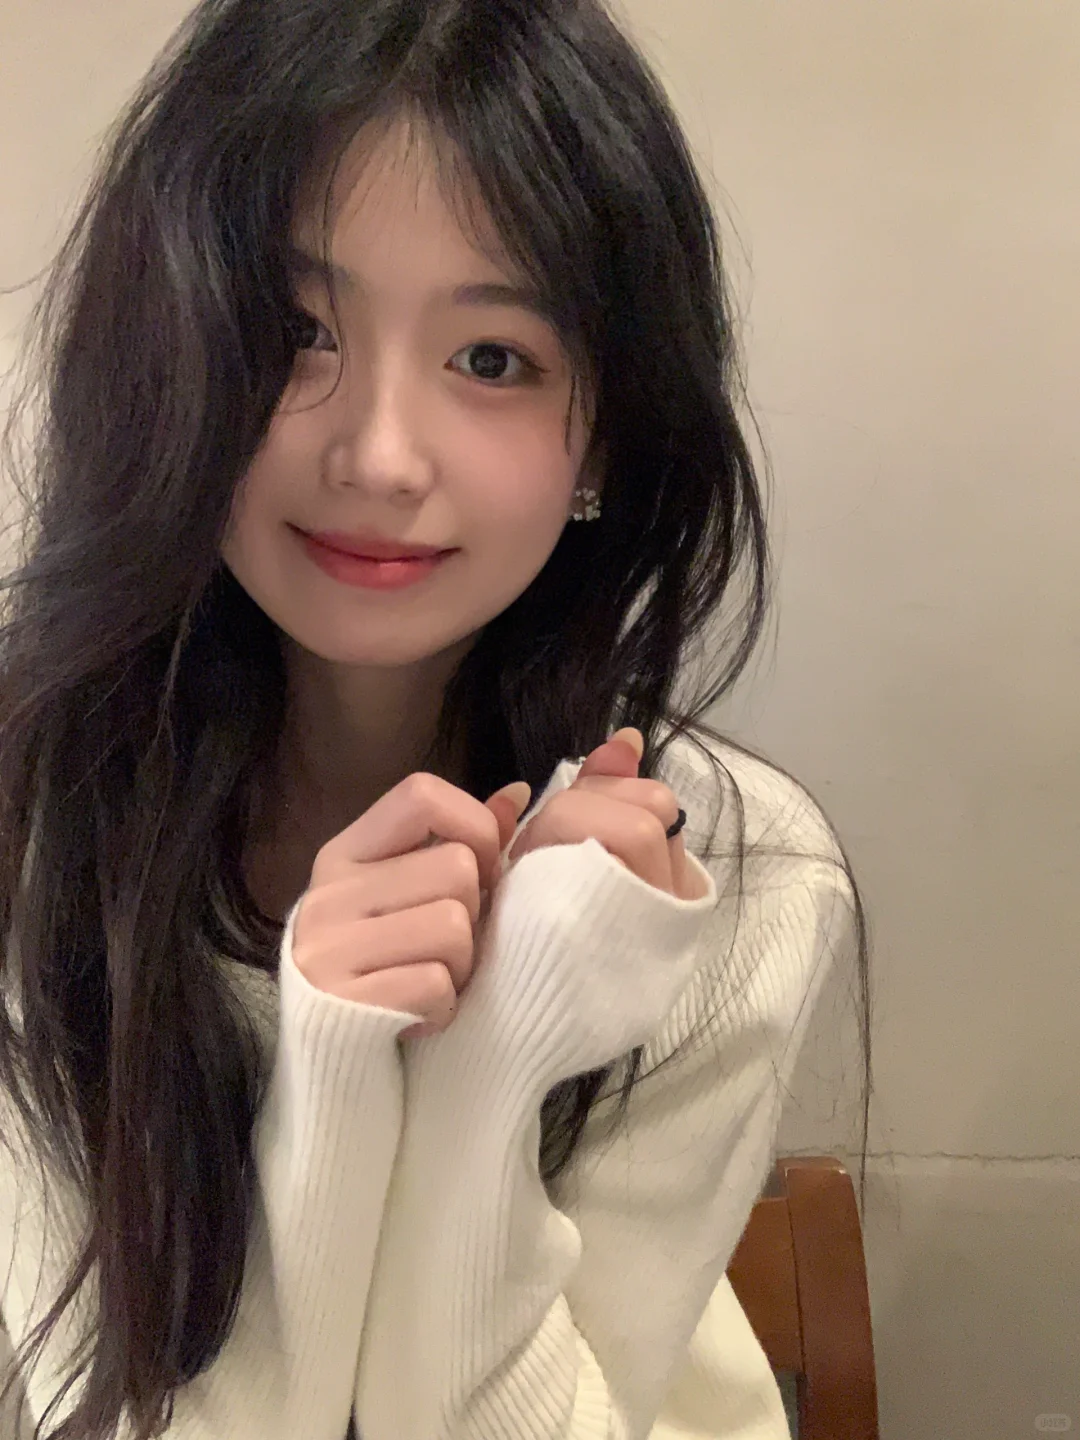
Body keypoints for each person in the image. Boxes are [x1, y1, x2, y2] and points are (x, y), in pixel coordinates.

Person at [0, 1, 869, 1437]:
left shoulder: (729, 875)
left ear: (605, 435)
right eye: (293, 332)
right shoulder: (35, 820)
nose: (382, 456)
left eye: (493, 358)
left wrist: (499, 1052)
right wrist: (334, 1066)